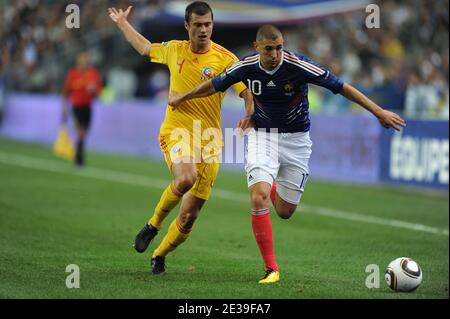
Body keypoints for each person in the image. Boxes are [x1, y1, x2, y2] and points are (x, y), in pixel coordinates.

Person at [168, 25, 406, 284]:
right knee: (258, 197)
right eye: (269, 49)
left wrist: (378, 111)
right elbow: (213, 85)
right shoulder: (245, 67)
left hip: (297, 141)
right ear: (257, 47)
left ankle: (272, 188)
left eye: (279, 47)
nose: (275, 54)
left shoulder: (298, 66)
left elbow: (342, 87)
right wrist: (182, 97)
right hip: (262, 135)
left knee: (284, 210)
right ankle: (271, 269)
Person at [108, 2, 252, 274]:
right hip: (178, 130)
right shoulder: (174, 49)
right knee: (185, 178)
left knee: (188, 217)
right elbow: (143, 47)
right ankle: (153, 224)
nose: (203, 30)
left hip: (209, 141)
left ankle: (160, 254)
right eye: (197, 25)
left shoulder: (225, 59)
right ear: (187, 26)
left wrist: (249, 111)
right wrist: (122, 23)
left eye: (208, 24)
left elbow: (245, 92)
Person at [63, 51, 102, 166]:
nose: (84, 63)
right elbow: (66, 91)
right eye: (82, 60)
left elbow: (99, 90)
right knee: (80, 132)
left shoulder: (93, 74)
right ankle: (79, 159)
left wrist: (94, 90)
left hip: (87, 106)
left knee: (84, 133)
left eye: (86, 60)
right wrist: (64, 107)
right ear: (78, 62)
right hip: (76, 106)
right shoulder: (73, 74)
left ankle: (77, 156)